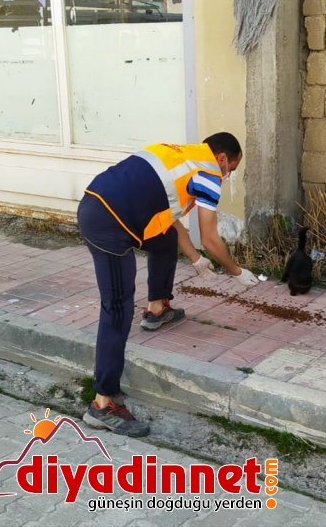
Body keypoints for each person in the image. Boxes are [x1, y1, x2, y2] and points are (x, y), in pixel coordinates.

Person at [77, 132, 259, 436]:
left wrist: (195, 258)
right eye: (231, 169)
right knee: (118, 309)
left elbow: (169, 221)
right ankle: (102, 404)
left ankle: (158, 307)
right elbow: (210, 236)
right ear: (222, 158)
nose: (228, 175)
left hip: (96, 204)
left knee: (163, 240)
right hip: (109, 225)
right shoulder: (209, 172)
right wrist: (236, 271)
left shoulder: (175, 153)